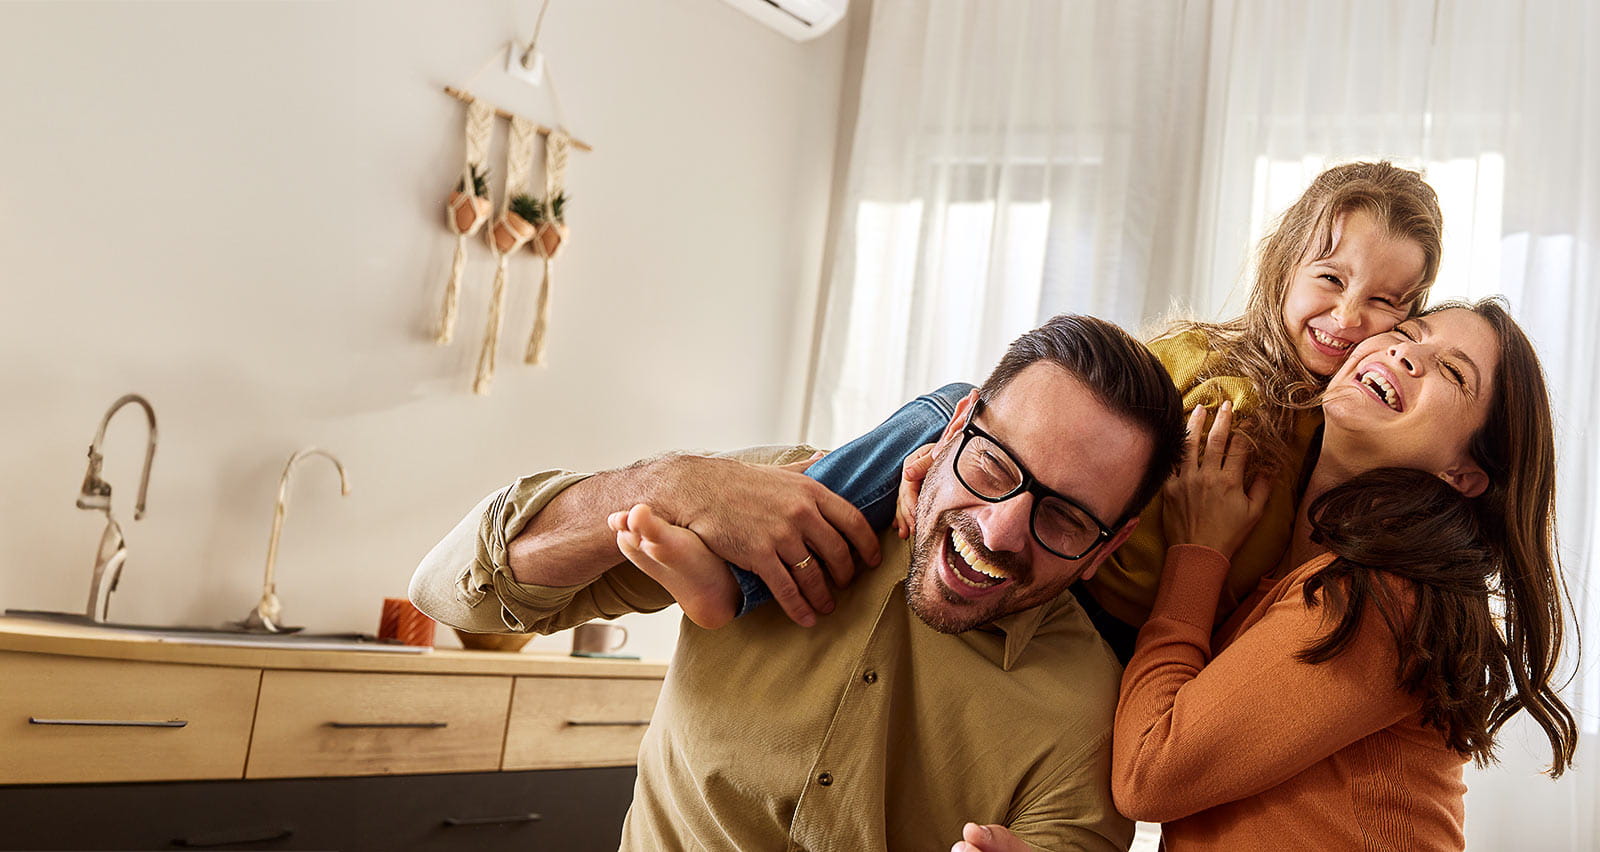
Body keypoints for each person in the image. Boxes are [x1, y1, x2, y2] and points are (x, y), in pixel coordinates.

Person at [410, 315, 1187, 851]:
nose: (1002, 528)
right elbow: (450, 590)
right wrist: (673, 485)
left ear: (1104, 550)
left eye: (1066, 519)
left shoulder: (1086, 715)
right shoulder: (773, 505)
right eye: (993, 464)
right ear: (953, 428)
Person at [685, 161, 1447, 654]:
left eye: (1383, 301)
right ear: (1285, 267)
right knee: (959, 404)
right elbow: (1057, 419)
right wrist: (955, 458)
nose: (1348, 317)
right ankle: (745, 574)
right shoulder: (1199, 357)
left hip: (1135, 629)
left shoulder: (1337, 428)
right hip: (1071, 562)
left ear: (1410, 317)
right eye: (1330, 278)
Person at [1087, 300, 1575, 851]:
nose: (1406, 352)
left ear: (1462, 473)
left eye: (1454, 371)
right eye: (1410, 332)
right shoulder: (1283, 575)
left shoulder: (1387, 597)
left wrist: (1196, 553)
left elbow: (1146, 773)